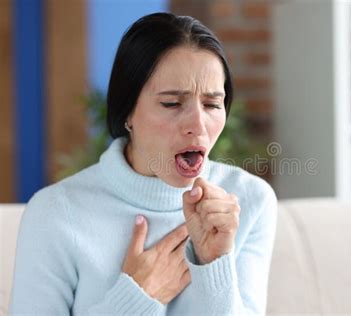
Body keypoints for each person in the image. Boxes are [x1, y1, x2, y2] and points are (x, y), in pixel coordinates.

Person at [8, 12, 278, 315]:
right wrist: (138, 297)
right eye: (171, 103)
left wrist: (216, 265)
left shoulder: (249, 201)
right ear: (128, 112)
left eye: (212, 104)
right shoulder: (55, 213)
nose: (198, 126)